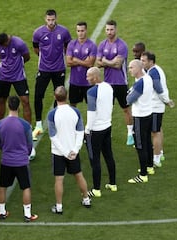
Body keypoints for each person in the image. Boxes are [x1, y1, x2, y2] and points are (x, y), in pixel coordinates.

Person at [0, 96, 38, 222]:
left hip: (6, 160)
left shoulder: (0, 124)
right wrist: (26, 153)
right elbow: (29, 144)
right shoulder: (25, 125)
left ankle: (2, 212)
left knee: (3, 186)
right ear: (19, 106)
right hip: (21, 161)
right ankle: (27, 214)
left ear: (8, 106)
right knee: (25, 187)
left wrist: (5, 149)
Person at [47, 86, 91, 214]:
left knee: (59, 179)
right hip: (73, 151)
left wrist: (65, 152)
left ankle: (59, 206)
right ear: (66, 97)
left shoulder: (52, 114)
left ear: (55, 97)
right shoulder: (75, 112)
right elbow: (80, 131)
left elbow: (53, 136)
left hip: (59, 153)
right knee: (79, 175)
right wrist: (75, 149)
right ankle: (86, 199)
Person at [32, 9, 72, 139]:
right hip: (43, 69)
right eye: (48, 20)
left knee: (59, 96)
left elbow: (67, 47)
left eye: (53, 19)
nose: (51, 22)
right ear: (45, 19)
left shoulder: (64, 32)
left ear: (56, 18)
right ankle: (38, 124)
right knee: (38, 95)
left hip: (59, 69)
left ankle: (56, 121)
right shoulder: (38, 33)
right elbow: (36, 49)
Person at [96, 20, 134, 146]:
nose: (109, 32)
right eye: (107, 29)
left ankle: (130, 134)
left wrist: (105, 60)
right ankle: (107, 133)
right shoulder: (102, 45)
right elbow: (98, 63)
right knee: (107, 110)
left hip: (121, 83)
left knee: (126, 109)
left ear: (116, 30)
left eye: (111, 29)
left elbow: (118, 65)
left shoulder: (122, 45)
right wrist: (109, 62)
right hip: (107, 84)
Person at [84, 67, 117, 198]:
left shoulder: (92, 91)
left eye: (88, 76)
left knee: (95, 159)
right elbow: (111, 106)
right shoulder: (109, 87)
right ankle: (112, 183)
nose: (87, 79)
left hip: (95, 130)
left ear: (95, 77)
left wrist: (87, 130)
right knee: (109, 155)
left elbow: (91, 113)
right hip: (107, 126)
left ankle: (96, 189)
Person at [141, 51, 174, 167]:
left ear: (151, 62)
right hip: (157, 106)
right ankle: (160, 152)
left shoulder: (153, 73)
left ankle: (156, 159)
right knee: (158, 129)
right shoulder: (154, 70)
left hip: (155, 107)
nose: (141, 63)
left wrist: (167, 101)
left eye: (143, 61)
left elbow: (159, 90)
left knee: (154, 133)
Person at [0, 33, 32, 124]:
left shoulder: (19, 43)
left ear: (8, 40)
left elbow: (27, 57)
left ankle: (28, 127)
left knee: (25, 101)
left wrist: (17, 66)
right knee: (2, 99)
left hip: (18, 76)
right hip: (4, 76)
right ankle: (0, 124)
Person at [126, 60, 154, 183]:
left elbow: (129, 99)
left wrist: (129, 93)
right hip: (148, 114)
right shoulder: (147, 78)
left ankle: (143, 175)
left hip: (140, 116)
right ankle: (149, 166)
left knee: (140, 145)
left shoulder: (139, 83)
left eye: (131, 67)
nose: (129, 70)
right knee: (147, 141)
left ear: (138, 68)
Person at [66, 21, 97, 107]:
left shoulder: (92, 45)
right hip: (74, 81)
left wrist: (76, 60)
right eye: (78, 31)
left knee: (92, 106)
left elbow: (90, 64)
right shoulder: (71, 44)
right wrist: (84, 61)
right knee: (72, 105)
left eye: (82, 31)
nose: (80, 33)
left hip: (88, 82)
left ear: (86, 31)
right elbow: (68, 62)